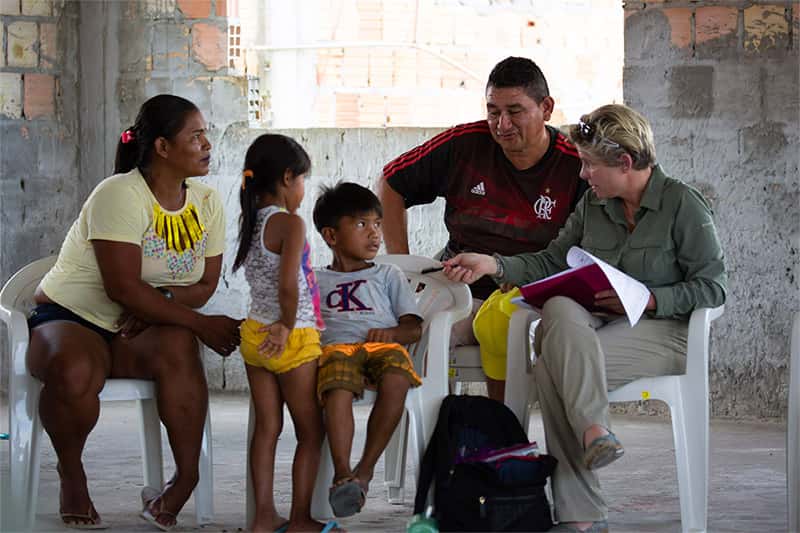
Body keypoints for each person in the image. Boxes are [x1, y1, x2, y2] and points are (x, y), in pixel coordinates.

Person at [442, 104, 727, 533]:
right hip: (596, 327)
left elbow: (712, 288)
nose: (582, 176)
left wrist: (649, 300)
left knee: (554, 367)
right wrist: (494, 265)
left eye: (590, 165)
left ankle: (582, 516)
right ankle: (594, 434)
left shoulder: (683, 205)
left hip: (664, 331)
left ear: (625, 163)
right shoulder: (594, 206)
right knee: (558, 308)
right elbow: (552, 261)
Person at [26, 94, 242, 530]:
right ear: (162, 148)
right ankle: (72, 472)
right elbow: (121, 286)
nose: (207, 144)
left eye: (206, 134)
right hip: (72, 316)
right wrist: (197, 322)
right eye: (195, 135)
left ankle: (185, 478)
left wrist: (159, 302)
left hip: (136, 324)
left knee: (178, 344)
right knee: (72, 369)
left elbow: (202, 286)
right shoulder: (119, 193)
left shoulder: (206, 202)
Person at [377, 56, 587, 401]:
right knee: (416, 337)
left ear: (546, 108)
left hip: (528, 297)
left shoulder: (575, 164)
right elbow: (390, 182)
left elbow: (582, 251)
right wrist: (402, 266)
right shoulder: (465, 144)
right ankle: (432, 440)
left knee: (503, 330)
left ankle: (501, 440)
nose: (502, 124)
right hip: (457, 288)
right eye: (493, 110)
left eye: (515, 111)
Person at [232, 134, 340, 533]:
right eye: (302, 182)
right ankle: (298, 519)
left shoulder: (251, 221)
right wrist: (288, 325)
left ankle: (262, 516)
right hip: (290, 339)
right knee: (312, 432)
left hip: (255, 336)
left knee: (267, 429)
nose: (302, 192)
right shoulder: (289, 223)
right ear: (287, 177)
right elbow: (288, 286)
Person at [312, 182, 423, 518]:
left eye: (377, 223)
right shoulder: (315, 279)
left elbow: (413, 327)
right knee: (337, 386)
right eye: (361, 224)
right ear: (331, 236)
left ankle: (365, 470)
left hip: (381, 347)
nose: (374, 233)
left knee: (398, 378)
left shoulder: (388, 274)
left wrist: (391, 333)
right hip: (337, 349)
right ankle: (343, 474)